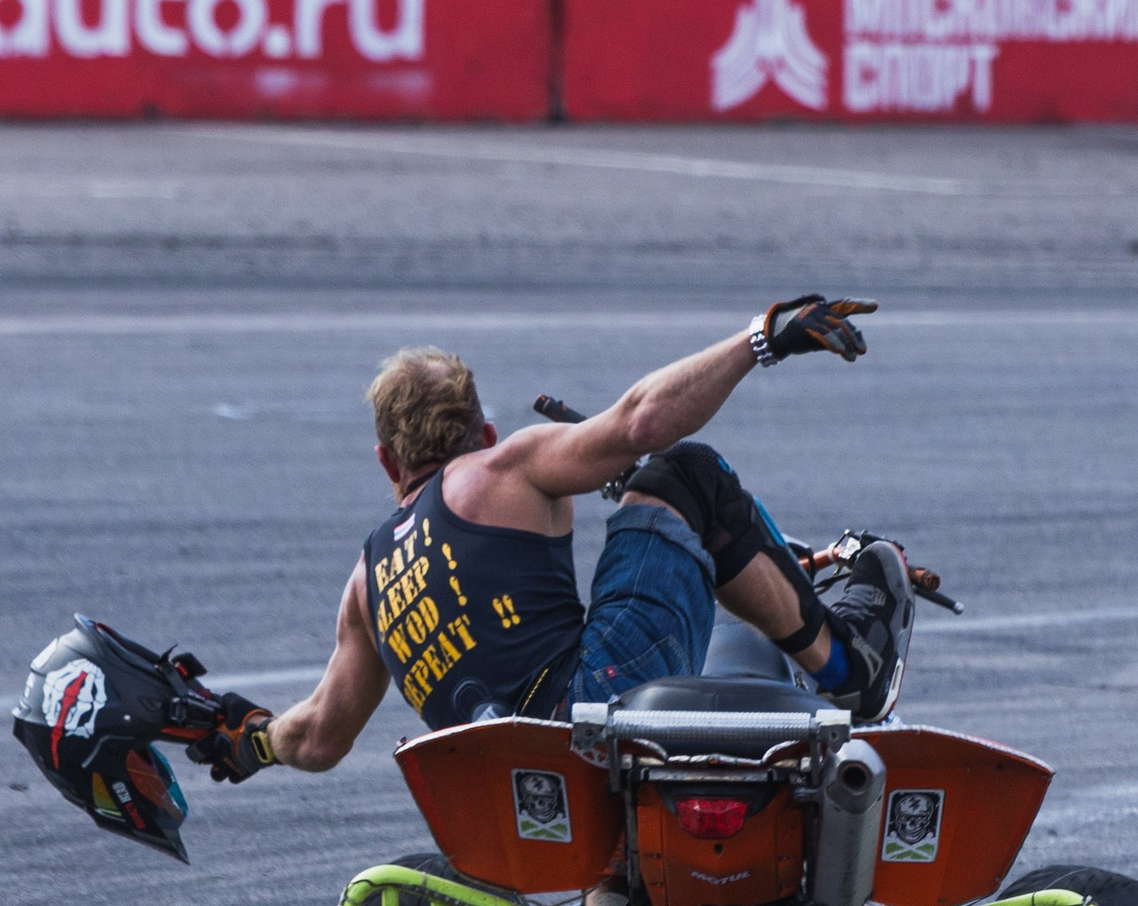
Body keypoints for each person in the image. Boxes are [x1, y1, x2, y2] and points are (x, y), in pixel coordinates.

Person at [180, 295, 910, 786]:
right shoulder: (505, 466)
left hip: (506, 785)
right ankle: (851, 668)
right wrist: (762, 336)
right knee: (682, 474)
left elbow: (318, 738)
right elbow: (643, 425)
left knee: (655, 497)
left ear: (386, 461)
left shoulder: (366, 588)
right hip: (594, 712)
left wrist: (253, 739)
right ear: (485, 433)